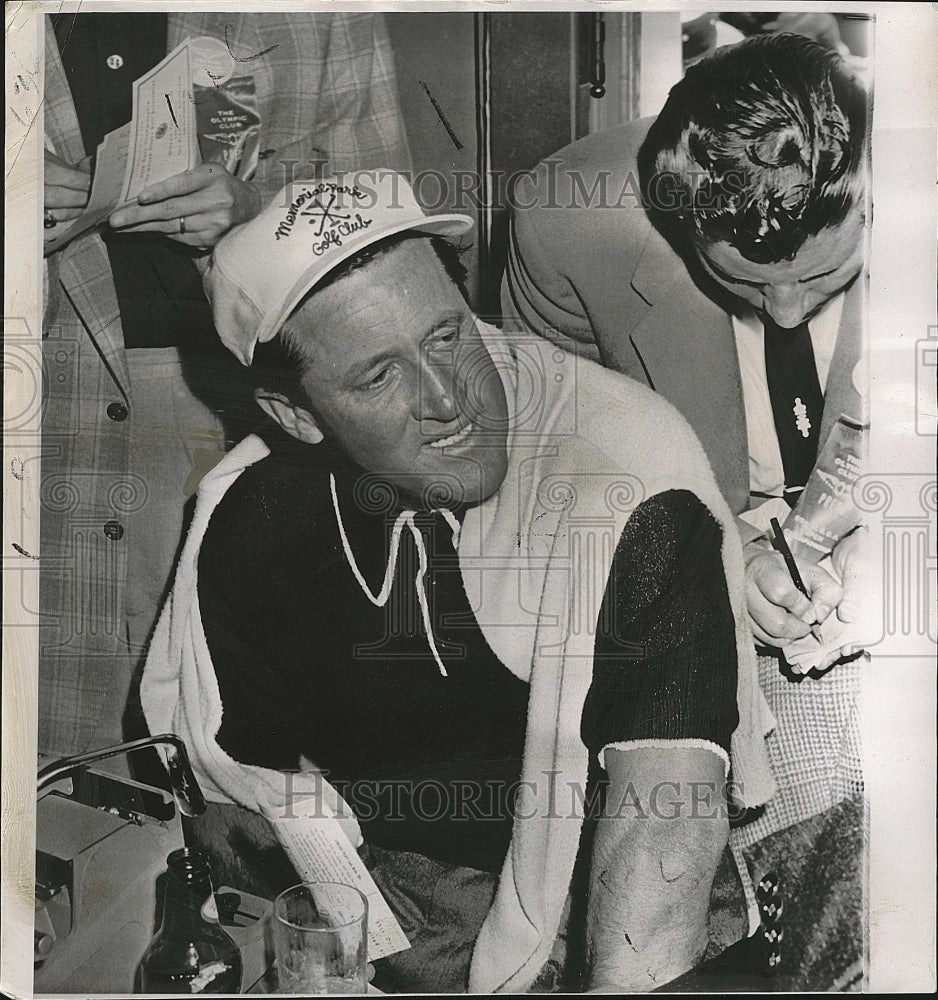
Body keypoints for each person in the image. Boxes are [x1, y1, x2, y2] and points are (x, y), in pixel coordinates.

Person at [141, 172, 774, 993]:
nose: (450, 398)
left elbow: (664, 816)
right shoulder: (249, 518)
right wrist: (347, 948)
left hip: (617, 895)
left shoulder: (628, 474)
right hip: (385, 899)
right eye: (378, 376)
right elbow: (240, 793)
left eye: (447, 336)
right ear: (296, 415)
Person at [501, 33, 869, 988]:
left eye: (824, 277)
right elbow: (549, 464)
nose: (785, 313)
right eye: (742, 282)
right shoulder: (567, 220)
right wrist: (713, 553)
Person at [40, 11, 411, 759]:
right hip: (40, 435)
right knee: (55, 800)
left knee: (253, 773)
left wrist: (261, 215)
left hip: (256, 422)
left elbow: (388, 229)